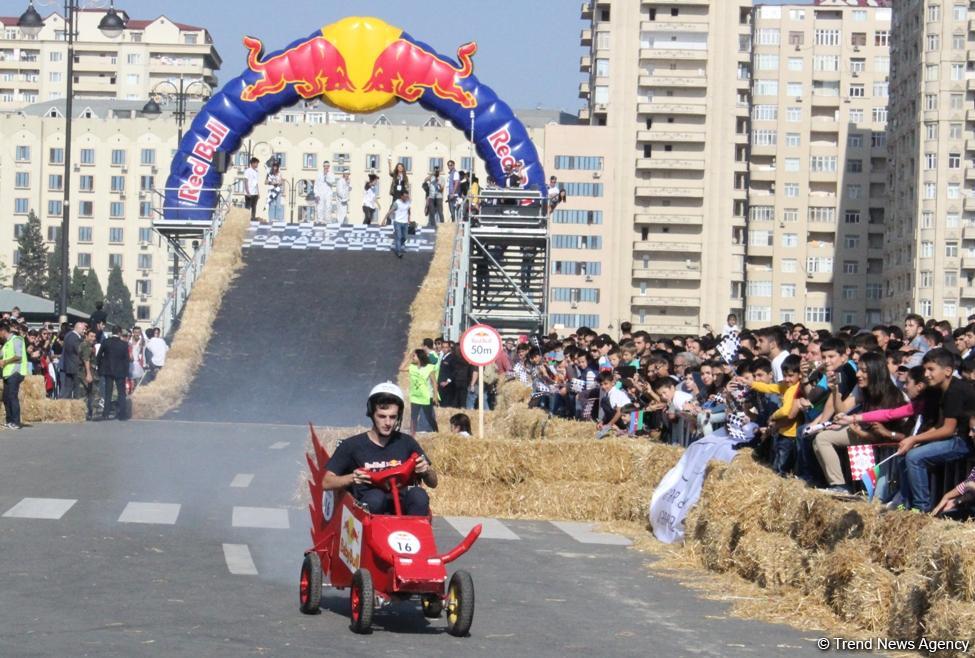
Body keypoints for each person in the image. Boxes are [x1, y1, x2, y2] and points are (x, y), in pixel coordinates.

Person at [322, 383, 437, 516]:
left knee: (419, 495)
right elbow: (326, 482)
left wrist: (426, 472)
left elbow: (433, 483)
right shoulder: (351, 445)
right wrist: (352, 478)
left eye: (393, 417)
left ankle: (416, 533)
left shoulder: (407, 442)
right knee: (376, 498)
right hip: (370, 508)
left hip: (403, 508)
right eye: (382, 416)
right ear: (372, 414)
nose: (388, 423)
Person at [895, 348, 975, 511]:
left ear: (947, 371)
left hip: (964, 440)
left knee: (914, 457)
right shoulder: (937, 390)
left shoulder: (956, 390)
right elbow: (937, 425)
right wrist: (915, 440)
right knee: (904, 454)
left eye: (931, 369)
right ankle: (905, 504)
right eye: (925, 369)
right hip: (952, 438)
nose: (926, 374)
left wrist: (915, 439)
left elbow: (947, 430)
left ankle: (920, 508)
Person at [97, 327, 131, 421]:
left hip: (108, 370)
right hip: (120, 370)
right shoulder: (124, 344)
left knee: (108, 392)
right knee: (121, 393)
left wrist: (100, 368)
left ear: (112, 332)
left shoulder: (106, 342)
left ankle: (106, 413)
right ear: (120, 333)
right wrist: (126, 372)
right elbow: (126, 360)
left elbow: (99, 356)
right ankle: (122, 414)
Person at [404, 349, 439, 435]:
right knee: (413, 416)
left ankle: (437, 432)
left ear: (420, 357)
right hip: (415, 396)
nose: (413, 357)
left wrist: (435, 396)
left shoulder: (429, 367)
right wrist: (408, 357)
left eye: (414, 356)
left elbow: (434, 382)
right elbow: (401, 368)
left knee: (429, 416)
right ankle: (412, 434)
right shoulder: (412, 367)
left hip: (426, 396)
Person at [0, 321, 27, 429]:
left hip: (15, 372)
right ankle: (9, 421)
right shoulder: (7, 343)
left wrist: (5, 361)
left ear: (2, 331)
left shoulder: (16, 340)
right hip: (7, 374)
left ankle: (16, 422)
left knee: (12, 397)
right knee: (6, 397)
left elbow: (18, 356)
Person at [60, 321, 85, 399]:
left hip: (68, 366)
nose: (84, 331)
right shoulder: (75, 337)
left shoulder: (68, 335)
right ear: (78, 328)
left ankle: (64, 405)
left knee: (67, 389)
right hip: (75, 366)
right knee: (76, 390)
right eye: (83, 329)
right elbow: (79, 351)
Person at [79, 328, 100, 421]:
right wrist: (88, 374)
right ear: (86, 336)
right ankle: (90, 413)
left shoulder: (89, 345)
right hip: (85, 372)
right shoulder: (86, 346)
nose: (93, 338)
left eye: (94, 336)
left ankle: (87, 413)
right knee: (92, 393)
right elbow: (86, 360)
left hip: (87, 371)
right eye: (91, 336)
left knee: (87, 393)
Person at [391, 190, 411, 259]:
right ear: (401, 196)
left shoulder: (408, 202)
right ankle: (399, 252)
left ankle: (398, 245)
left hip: (405, 223)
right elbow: (391, 210)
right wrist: (384, 219)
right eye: (405, 197)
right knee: (398, 237)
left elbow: (408, 211)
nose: (406, 198)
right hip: (397, 222)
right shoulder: (397, 202)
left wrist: (409, 219)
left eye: (407, 196)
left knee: (405, 237)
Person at [314, 161, 335, 225]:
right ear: (323, 166)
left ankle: (327, 221)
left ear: (329, 167)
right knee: (320, 207)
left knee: (328, 207)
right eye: (325, 166)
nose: (326, 167)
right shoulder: (319, 174)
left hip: (328, 193)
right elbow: (316, 184)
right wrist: (316, 194)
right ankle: (320, 220)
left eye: (327, 166)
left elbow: (332, 182)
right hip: (320, 193)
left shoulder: (331, 174)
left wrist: (326, 177)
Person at [244, 157, 261, 222]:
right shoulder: (248, 171)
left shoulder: (257, 172)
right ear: (252, 163)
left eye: (257, 163)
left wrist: (258, 192)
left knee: (254, 206)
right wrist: (247, 192)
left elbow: (256, 183)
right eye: (256, 163)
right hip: (249, 192)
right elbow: (245, 181)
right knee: (248, 207)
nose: (257, 165)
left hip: (255, 192)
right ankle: (246, 219)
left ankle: (253, 218)